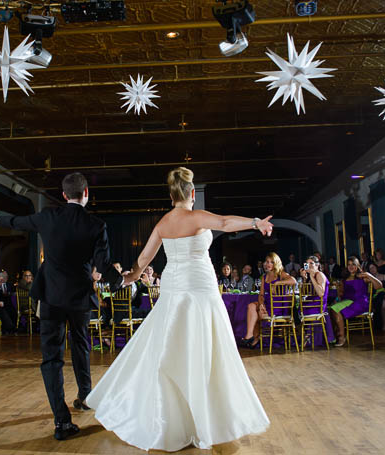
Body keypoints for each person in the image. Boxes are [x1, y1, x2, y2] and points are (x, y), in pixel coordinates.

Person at [86, 167, 271, 451]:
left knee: (170, 349)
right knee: (206, 352)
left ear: (172, 194)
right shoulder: (196, 216)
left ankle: (170, 418)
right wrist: (255, 222)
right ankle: (205, 417)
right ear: (192, 194)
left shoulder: (162, 223)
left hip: (174, 290)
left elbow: (142, 262)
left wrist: (126, 278)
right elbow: (224, 221)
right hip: (199, 289)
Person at [0, 172, 124, 441]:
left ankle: (62, 421)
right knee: (80, 345)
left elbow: (17, 222)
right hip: (80, 296)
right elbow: (103, 266)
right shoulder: (96, 225)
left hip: (51, 296)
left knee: (52, 358)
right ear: (87, 193)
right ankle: (85, 396)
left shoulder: (48, 217)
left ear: (64, 195)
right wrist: (120, 281)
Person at [238, 252, 296, 348]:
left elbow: (293, 281)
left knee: (255, 313)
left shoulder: (281, 274)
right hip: (268, 303)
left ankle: (254, 338)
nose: (268, 264)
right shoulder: (265, 277)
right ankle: (249, 336)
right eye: (267, 262)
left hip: (279, 306)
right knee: (251, 306)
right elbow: (261, 295)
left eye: (271, 262)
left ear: (276, 263)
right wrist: (261, 305)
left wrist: (278, 283)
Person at [329, 257, 383, 347]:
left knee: (335, 309)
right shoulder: (345, 279)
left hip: (360, 302)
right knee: (332, 308)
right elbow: (341, 294)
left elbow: (379, 286)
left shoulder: (362, 277)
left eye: (353, 264)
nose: (351, 266)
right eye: (349, 264)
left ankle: (341, 337)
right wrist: (339, 290)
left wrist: (368, 275)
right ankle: (336, 336)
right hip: (348, 302)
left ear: (357, 266)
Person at [368, 262, 385, 332]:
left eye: (373, 267)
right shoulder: (369, 279)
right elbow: (368, 291)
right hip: (373, 296)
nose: (372, 269)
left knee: (383, 301)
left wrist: (382, 291)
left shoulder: (384, 276)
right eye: (370, 268)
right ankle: (373, 325)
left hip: (384, 294)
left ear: (376, 268)